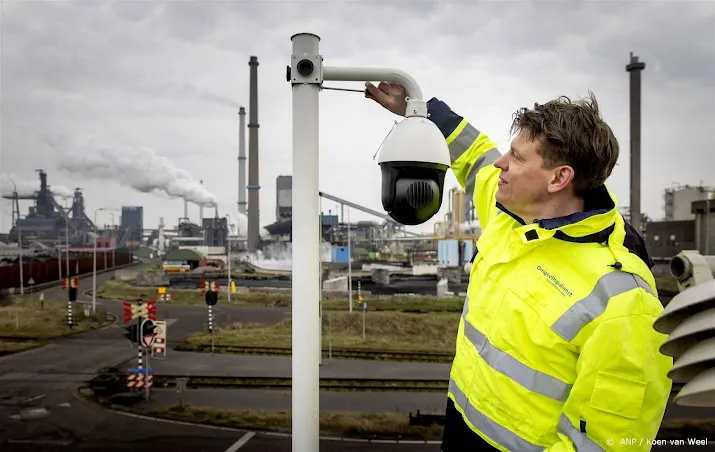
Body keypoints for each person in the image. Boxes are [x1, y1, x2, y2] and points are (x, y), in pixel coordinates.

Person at [365, 81, 672, 451]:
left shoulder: (623, 300)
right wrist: (417, 108)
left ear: (559, 178)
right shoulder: (510, 213)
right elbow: (475, 155)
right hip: (460, 425)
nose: (501, 163)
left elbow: (607, 443)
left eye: (517, 157)